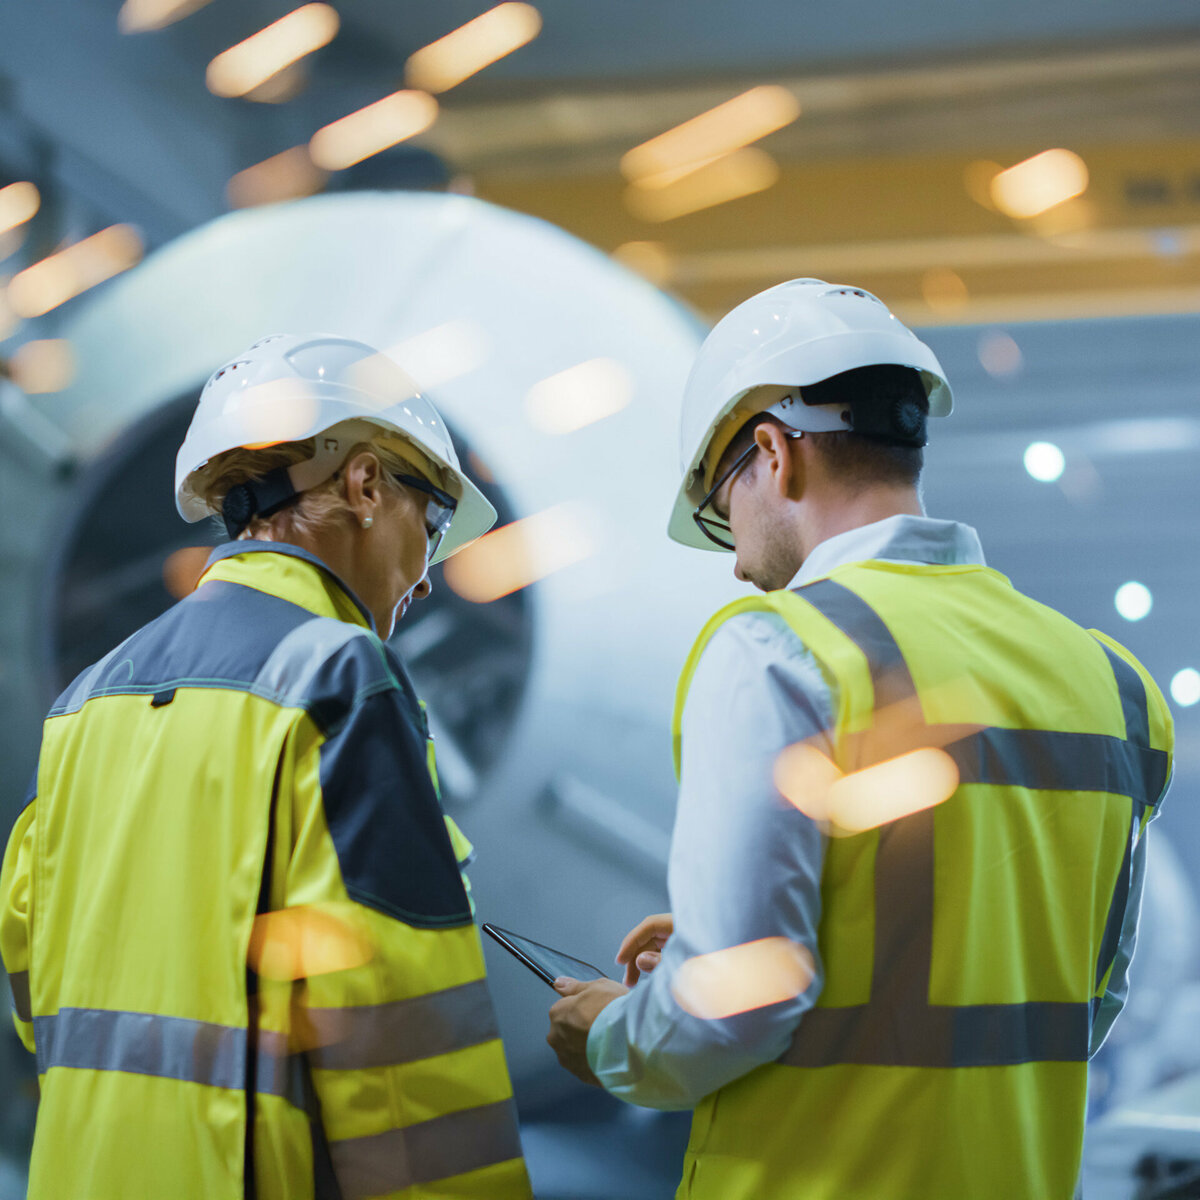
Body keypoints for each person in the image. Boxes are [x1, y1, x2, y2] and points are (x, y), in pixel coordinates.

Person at [546, 280, 1174, 1199]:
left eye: (722, 509)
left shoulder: (781, 651)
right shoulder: (1111, 684)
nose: (733, 558)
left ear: (772, 452)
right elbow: (1065, 993)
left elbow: (736, 1013)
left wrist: (612, 1034)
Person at [1, 334, 533, 1200]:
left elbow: (32, 973)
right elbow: (400, 1038)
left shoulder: (88, 699)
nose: (429, 578)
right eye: (433, 526)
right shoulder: (336, 677)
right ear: (364, 486)